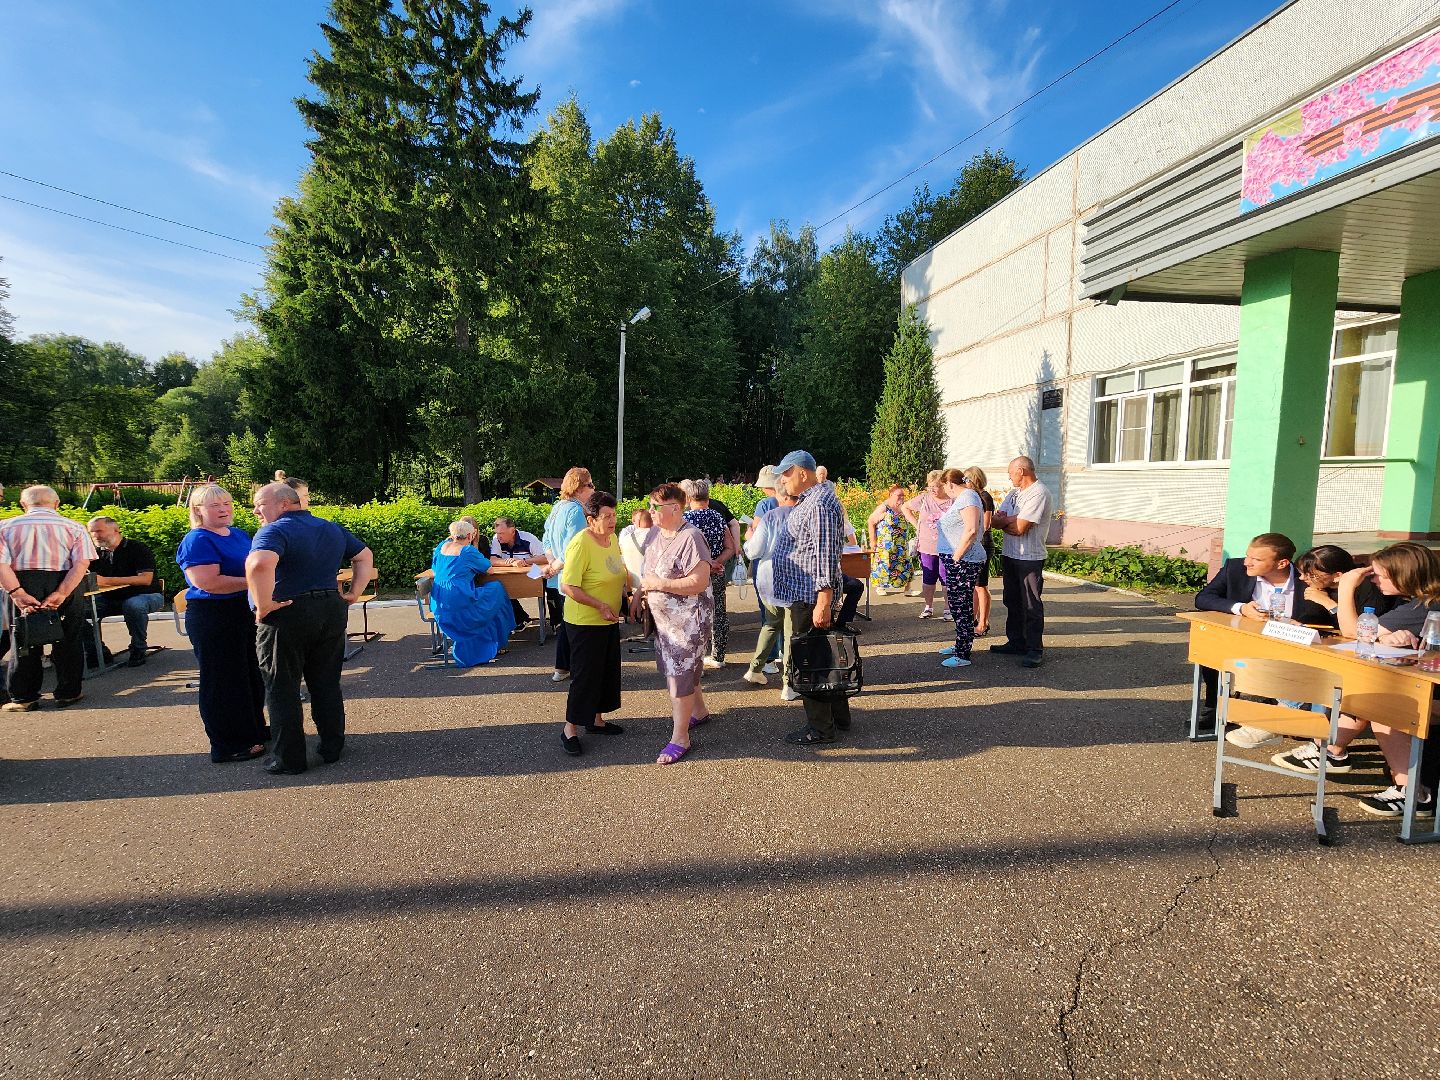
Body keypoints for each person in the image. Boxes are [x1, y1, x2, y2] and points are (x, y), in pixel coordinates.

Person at [1271, 542, 1440, 818]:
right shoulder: (1420, 603)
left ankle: (1413, 793)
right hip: (1427, 684)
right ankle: (1328, 750)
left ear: (1405, 575)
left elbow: (1353, 632)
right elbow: (1383, 635)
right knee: (1370, 692)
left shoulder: (1424, 607)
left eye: (1382, 575)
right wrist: (1387, 638)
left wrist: (1348, 586)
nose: (1375, 580)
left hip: (1430, 693)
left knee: (1383, 707)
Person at [246, 482, 374, 775]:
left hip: (288, 612)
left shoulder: (274, 530)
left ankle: (289, 759)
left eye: (260, 504)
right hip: (330, 609)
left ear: (283, 504)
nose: (255, 511)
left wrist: (263, 605)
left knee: (282, 687)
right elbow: (364, 556)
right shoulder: (330, 528)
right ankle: (331, 748)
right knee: (326, 681)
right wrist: (353, 593)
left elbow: (258, 564)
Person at [1193, 531, 1332, 745]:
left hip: (1292, 646)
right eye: (1248, 556)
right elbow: (1203, 598)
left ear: (1282, 563)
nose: (1247, 562)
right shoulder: (1235, 569)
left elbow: (1323, 618)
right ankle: (1216, 705)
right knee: (1211, 645)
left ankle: (1285, 716)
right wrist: (1241, 608)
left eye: (1256, 559)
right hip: (1245, 640)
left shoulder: (1306, 580)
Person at [175, 484, 267, 763]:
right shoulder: (197, 540)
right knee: (223, 681)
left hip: (243, 612)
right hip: (213, 615)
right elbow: (208, 582)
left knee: (250, 675)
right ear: (198, 510)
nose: (224, 509)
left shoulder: (239, 534)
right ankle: (228, 744)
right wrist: (254, 583)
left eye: (226, 503)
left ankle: (253, 730)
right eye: (215, 505)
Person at [770, 450, 851, 745]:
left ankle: (820, 728)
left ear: (802, 473)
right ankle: (839, 719)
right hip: (807, 596)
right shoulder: (812, 501)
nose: (782, 479)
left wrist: (824, 601)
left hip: (811, 598)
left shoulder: (819, 503)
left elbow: (826, 555)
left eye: (786, 473)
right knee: (824, 657)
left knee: (811, 663)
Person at [0, 486, 96, 711]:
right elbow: (82, 563)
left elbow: (1, 564)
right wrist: (62, 592)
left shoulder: (4, 527)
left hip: (20, 580)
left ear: (24, 505)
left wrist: (17, 592)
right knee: (69, 637)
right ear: (57, 503)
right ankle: (69, 692)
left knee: (22, 639)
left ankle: (24, 697)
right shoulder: (74, 527)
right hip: (64, 581)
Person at [639, 483, 715, 764]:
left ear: (674, 508)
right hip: (664, 621)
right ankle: (699, 712)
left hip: (687, 622)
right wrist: (640, 595)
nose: (650, 512)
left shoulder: (691, 538)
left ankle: (680, 737)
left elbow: (699, 581)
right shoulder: (655, 534)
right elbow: (647, 570)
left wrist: (661, 584)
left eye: (655, 507)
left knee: (679, 674)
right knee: (681, 668)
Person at [558, 491, 627, 755]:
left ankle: (597, 721)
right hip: (585, 621)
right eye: (606, 517)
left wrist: (627, 592)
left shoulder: (610, 538)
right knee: (585, 676)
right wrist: (599, 605)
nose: (612, 521)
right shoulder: (581, 543)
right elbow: (568, 586)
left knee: (606, 671)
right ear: (591, 520)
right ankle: (569, 730)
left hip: (608, 619)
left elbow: (615, 569)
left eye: (614, 515)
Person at [990, 456, 1054, 669]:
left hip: (1030, 558)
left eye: (1011, 473)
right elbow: (996, 521)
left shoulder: (1039, 493)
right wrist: (1011, 520)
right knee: (1012, 601)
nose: (1009, 477)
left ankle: (1034, 649)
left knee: (1031, 605)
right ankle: (1016, 641)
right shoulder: (1014, 493)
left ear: (1021, 470)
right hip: (1011, 554)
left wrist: (1011, 521)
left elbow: (1020, 528)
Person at [430, 520, 516, 667]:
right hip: (460, 597)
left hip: (438, 599)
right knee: (496, 590)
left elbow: (435, 569)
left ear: (452, 534)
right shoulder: (467, 551)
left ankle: (492, 640)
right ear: (470, 535)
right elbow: (489, 569)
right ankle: (499, 637)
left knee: (490, 598)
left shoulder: (440, 547)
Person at [84, 516, 164, 667]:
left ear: (116, 529)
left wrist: (106, 581)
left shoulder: (137, 548)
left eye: (99, 531)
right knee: (77, 612)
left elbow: (145, 579)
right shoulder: (95, 554)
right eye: (91, 532)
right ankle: (97, 652)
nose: (95, 535)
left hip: (145, 595)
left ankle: (138, 648)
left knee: (133, 605)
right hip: (110, 598)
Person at [742, 487, 798, 695]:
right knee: (790, 631)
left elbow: (754, 550)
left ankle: (755, 668)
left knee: (771, 624)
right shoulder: (806, 516)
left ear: (781, 496)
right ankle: (788, 683)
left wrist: (749, 536)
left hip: (769, 578)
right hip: (795, 579)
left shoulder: (770, 516)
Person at [541, 467, 594, 683]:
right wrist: (557, 565)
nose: (593, 488)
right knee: (577, 627)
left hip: (559, 575)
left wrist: (553, 563)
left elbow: (546, 540)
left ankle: (561, 667)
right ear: (579, 488)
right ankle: (577, 669)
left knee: (567, 623)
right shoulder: (576, 511)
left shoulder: (557, 508)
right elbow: (575, 548)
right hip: (572, 577)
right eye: (590, 484)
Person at [682, 478, 737, 670]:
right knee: (719, 612)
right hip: (716, 572)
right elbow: (730, 547)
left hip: (694, 574)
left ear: (688, 497)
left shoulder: (686, 521)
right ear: (708, 496)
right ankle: (719, 656)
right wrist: (716, 562)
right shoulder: (717, 517)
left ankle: (697, 660)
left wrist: (704, 564)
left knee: (694, 615)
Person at [935, 469, 987, 669]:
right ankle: (960, 645)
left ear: (950, 484)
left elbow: (972, 529)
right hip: (959, 560)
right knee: (957, 603)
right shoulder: (965, 497)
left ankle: (963, 653)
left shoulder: (967, 497)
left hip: (964, 560)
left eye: (944, 487)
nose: (944, 492)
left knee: (961, 605)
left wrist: (957, 556)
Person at [1294, 544, 1392, 626]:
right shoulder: (1316, 584)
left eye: (1311, 575)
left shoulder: (1368, 587)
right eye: (1302, 573)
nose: (1302, 578)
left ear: (1337, 576)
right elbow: (1312, 618)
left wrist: (1329, 604)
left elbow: (1362, 628)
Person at [902, 471, 952, 617]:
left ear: (943, 485)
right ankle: (928, 606)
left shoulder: (953, 500)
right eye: (929, 486)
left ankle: (948, 608)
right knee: (928, 577)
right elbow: (905, 507)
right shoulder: (924, 498)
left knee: (946, 578)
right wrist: (916, 523)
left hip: (948, 547)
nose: (932, 490)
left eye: (935, 486)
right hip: (927, 546)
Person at [748, 465, 783, 671]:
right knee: (787, 613)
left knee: (768, 615)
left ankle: (768, 660)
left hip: (765, 565)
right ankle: (783, 654)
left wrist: (748, 534)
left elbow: (755, 533)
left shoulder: (765, 504)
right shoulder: (794, 501)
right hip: (788, 565)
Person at [489, 516, 546, 627]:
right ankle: (521, 619)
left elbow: (545, 558)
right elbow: (493, 560)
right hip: (510, 575)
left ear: (512, 531)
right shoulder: (496, 538)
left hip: (532, 572)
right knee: (500, 587)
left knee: (536, 585)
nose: (499, 536)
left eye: (502, 533)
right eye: (497, 533)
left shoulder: (529, 538)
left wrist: (524, 561)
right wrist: (510, 562)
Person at [962, 466, 995, 635]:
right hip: (975, 545)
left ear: (973, 479)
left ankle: (983, 622)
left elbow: (987, 524)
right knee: (974, 586)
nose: (964, 483)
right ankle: (973, 619)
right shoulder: (973, 497)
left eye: (965, 479)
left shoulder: (985, 497)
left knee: (981, 586)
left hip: (983, 544)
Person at [866, 485, 914, 596]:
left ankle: (907, 588)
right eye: (899, 495)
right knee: (883, 565)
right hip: (885, 545)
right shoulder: (884, 507)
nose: (902, 497)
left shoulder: (903, 507)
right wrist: (872, 541)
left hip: (901, 543)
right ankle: (880, 586)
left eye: (903, 495)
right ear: (891, 495)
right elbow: (871, 521)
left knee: (905, 564)